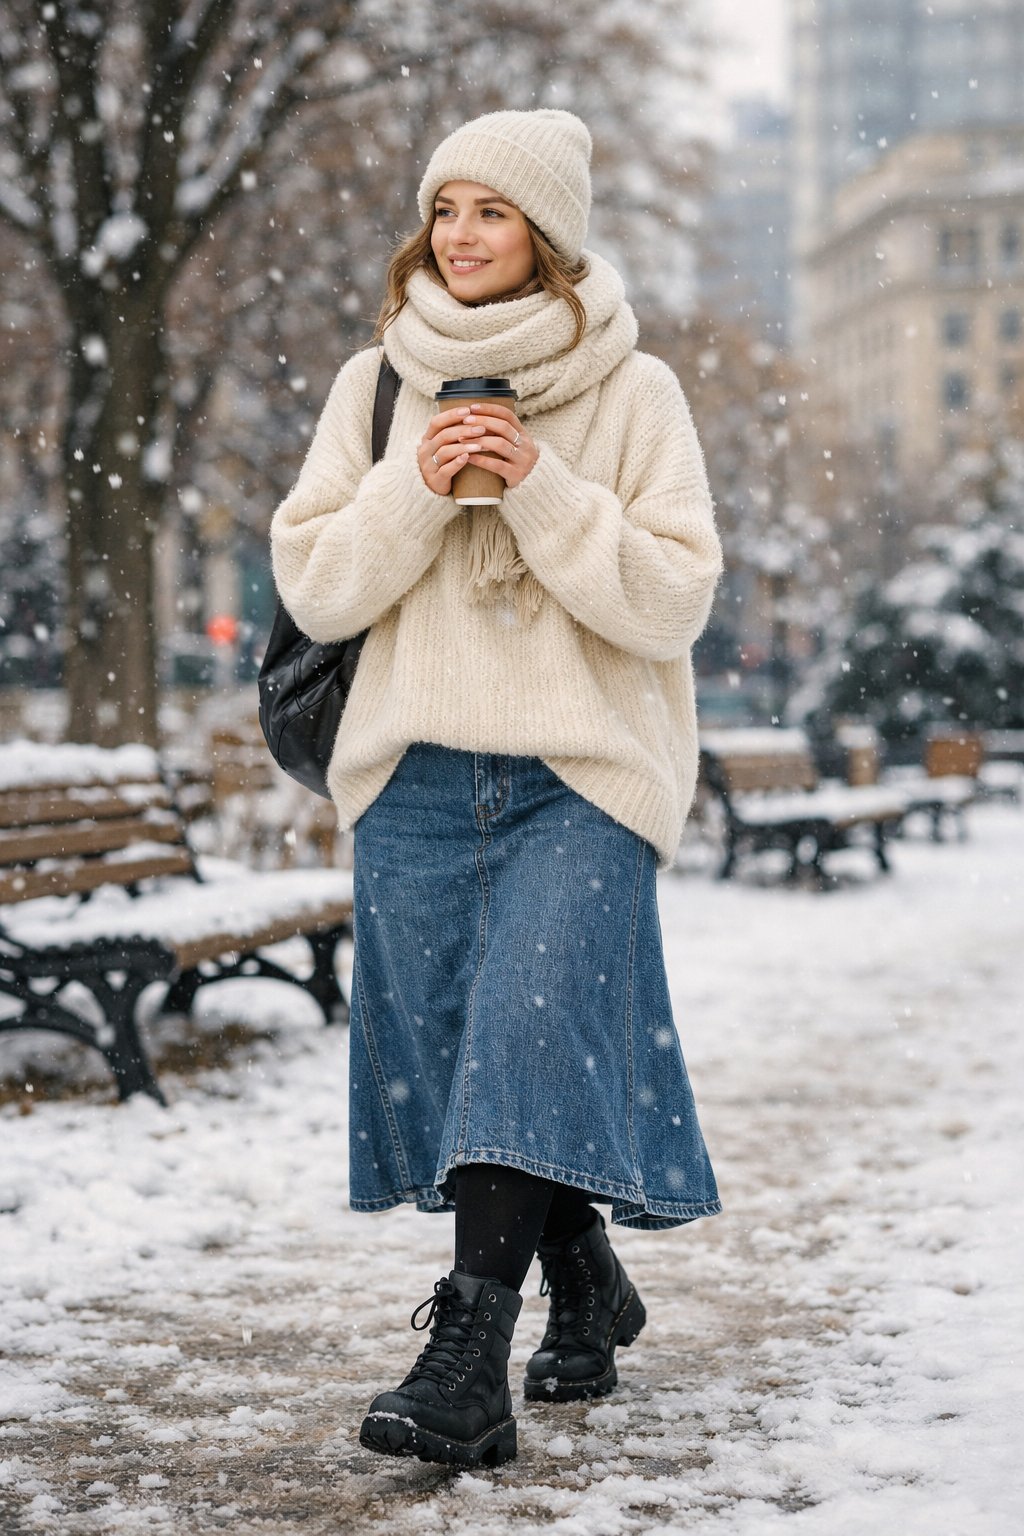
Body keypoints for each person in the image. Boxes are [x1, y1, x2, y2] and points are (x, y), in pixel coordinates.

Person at [270, 108, 723, 1470]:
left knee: (526, 1029)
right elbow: (319, 585)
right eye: (447, 210)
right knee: (470, 1064)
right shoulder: (375, 388)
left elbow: (672, 600)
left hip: (580, 776)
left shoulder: (635, 393)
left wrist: (540, 490)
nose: (463, 238)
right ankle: (585, 1277)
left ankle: (469, 1360)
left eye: (495, 213)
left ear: (550, 238)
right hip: (412, 773)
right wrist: (417, 484)